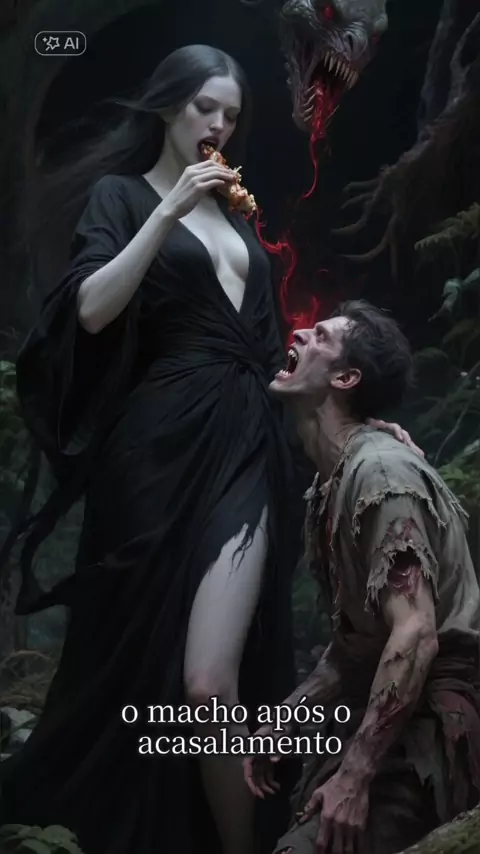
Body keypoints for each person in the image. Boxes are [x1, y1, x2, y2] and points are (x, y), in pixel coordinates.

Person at [0, 46, 418, 854]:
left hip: (244, 445)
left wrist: (362, 423)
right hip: (153, 449)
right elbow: (89, 311)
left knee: (208, 679)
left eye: (231, 114)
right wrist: (167, 211)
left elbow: (274, 363)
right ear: (167, 109)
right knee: (136, 650)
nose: (219, 125)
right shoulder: (123, 197)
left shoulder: (237, 219)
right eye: (205, 108)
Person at [243, 300, 480, 854]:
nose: (300, 332)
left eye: (321, 335)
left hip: (437, 723)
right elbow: (357, 643)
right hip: (398, 712)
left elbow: (415, 632)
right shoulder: (333, 483)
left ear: (346, 378)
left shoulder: (380, 472)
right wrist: (289, 716)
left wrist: (354, 776)